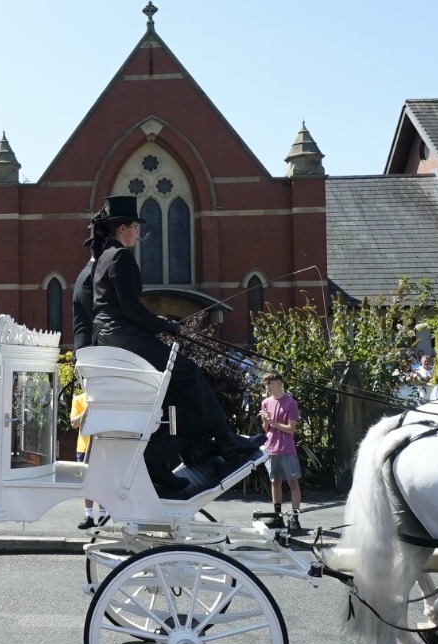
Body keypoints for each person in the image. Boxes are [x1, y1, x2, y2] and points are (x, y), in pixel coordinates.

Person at [89, 194, 263, 496]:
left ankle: (194, 450)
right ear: (123, 228)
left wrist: (156, 321)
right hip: (124, 335)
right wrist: (166, 325)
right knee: (188, 372)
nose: (138, 233)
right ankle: (226, 442)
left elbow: (123, 306)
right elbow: (130, 309)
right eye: (135, 227)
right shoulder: (120, 257)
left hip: (113, 335)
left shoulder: (105, 256)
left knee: (169, 392)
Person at [258, 372, 302, 528]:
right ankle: (277, 517)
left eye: (269, 383)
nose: (267, 387)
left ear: (279, 383)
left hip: (286, 449)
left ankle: (295, 519)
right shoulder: (265, 403)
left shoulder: (290, 403)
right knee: (275, 482)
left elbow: (291, 429)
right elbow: (266, 429)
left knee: (293, 484)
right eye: (266, 384)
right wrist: (265, 421)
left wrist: (272, 421)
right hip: (271, 448)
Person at [70, 382, 107, 529]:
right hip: (84, 447)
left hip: (103, 447)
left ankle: (103, 514)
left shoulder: (104, 400)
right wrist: (86, 410)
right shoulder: (79, 399)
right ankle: (89, 515)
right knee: (87, 483)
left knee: (103, 482)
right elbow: (73, 423)